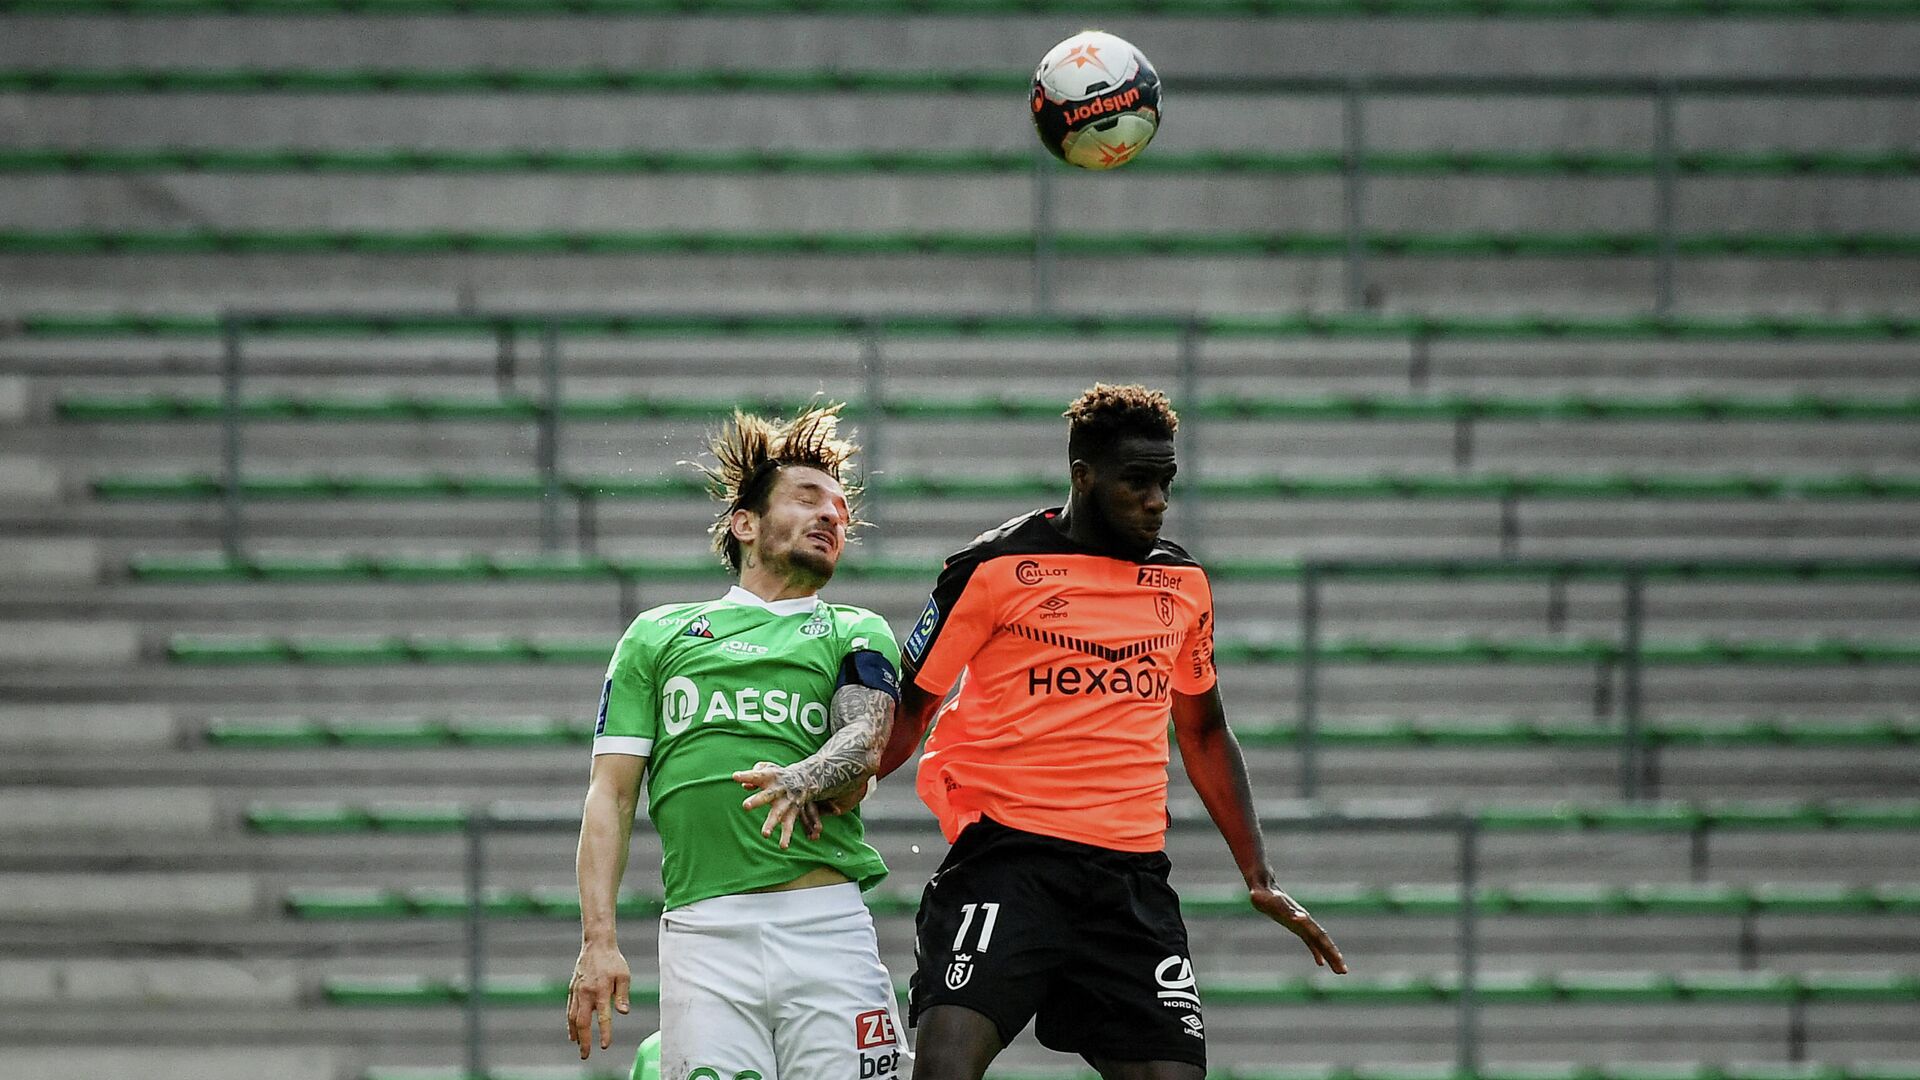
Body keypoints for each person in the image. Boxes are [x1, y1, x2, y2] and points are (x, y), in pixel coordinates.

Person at [876, 383, 1347, 1080]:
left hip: (1129, 881)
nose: (1157, 499)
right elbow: (911, 709)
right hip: (1009, 861)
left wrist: (1258, 873)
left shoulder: (1183, 584)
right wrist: (831, 791)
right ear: (1083, 477)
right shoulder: (992, 568)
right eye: (1137, 482)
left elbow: (1206, 732)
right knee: (945, 1069)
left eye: (1166, 482)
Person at [568, 403, 907, 1080]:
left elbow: (865, 741)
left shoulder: (854, 628)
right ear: (744, 523)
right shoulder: (657, 635)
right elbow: (610, 794)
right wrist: (598, 942)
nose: (831, 516)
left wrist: (802, 776)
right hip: (702, 934)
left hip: (825, 928)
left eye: (840, 509)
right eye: (807, 499)